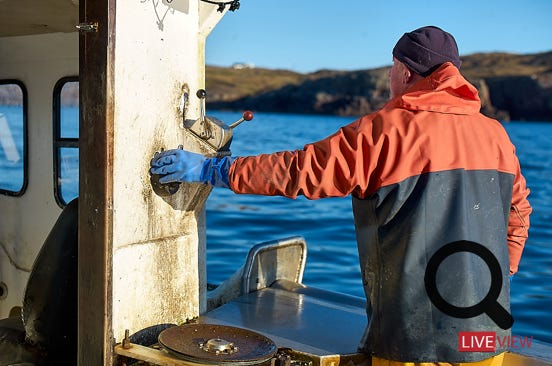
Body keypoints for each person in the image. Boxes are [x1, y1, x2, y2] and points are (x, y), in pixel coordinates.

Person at [150, 26, 531, 366]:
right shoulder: (496, 135)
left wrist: (214, 170)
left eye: (391, 68)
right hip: (486, 334)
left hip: (415, 340)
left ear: (406, 72)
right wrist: (494, 277)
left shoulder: (386, 132)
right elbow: (519, 213)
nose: (387, 77)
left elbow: (300, 170)